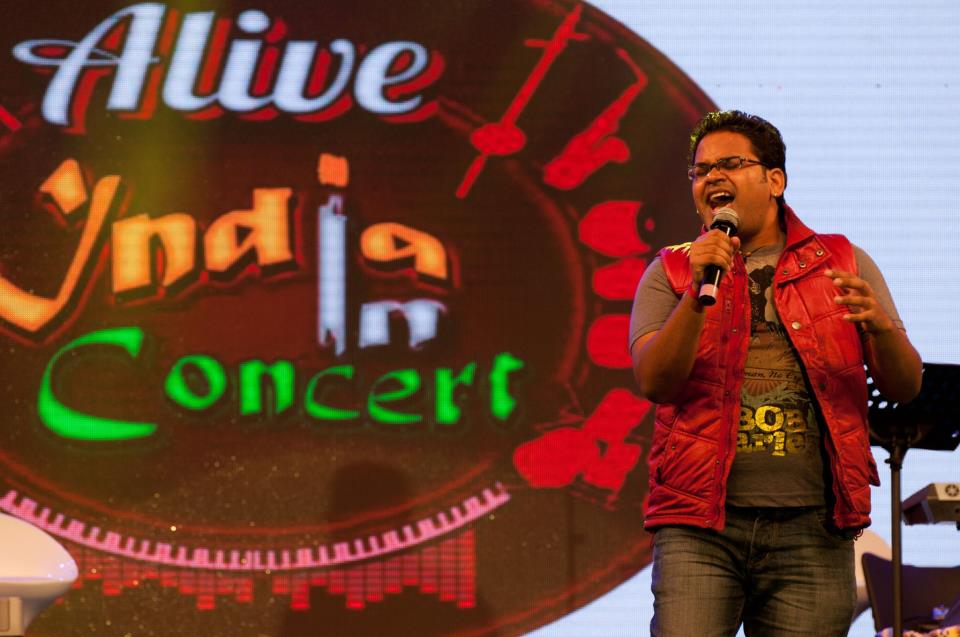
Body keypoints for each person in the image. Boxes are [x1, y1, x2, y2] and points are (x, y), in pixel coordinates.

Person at [629, 110, 922, 636]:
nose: (712, 178)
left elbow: (906, 387)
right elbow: (655, 382)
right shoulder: (671, 270)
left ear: (775, 180)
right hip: (700, 527)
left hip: (815, 526)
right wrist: (696, 294)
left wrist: (881, 328)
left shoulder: (841, 262)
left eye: (730, 164)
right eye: (700, 171)